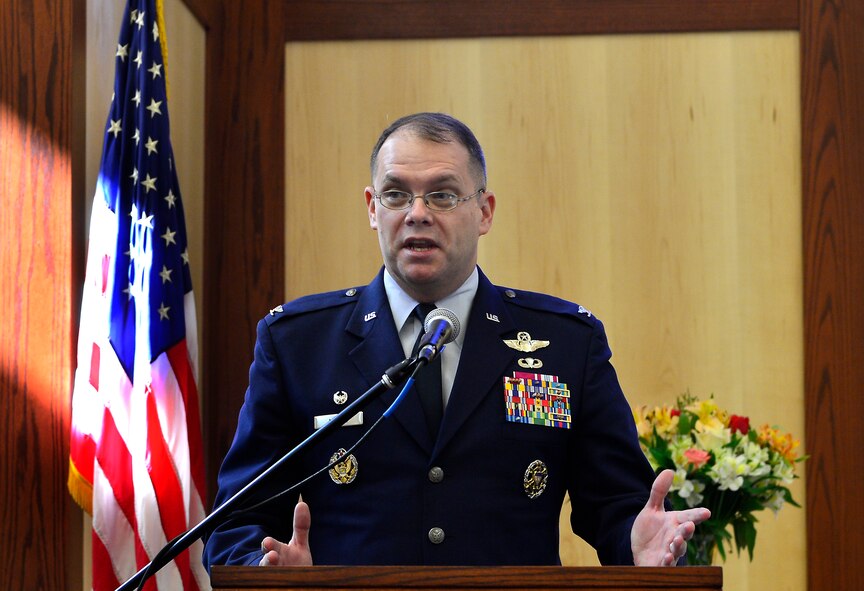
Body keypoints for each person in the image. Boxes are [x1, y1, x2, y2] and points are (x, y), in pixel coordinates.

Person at [202, 112, 709, 570]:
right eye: (396, 194)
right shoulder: (298, 344)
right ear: (373, 208)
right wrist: (260, 569)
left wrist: (637, 546)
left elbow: (617, 505)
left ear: (484, 211)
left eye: (442, 194)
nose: (417, 213)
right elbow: (235, 520)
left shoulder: (566, 343)